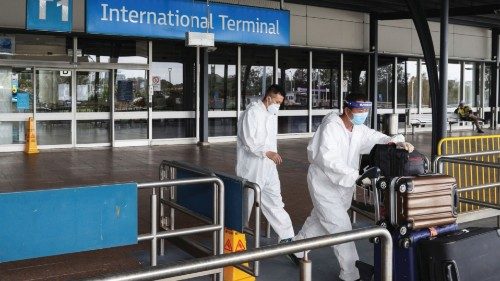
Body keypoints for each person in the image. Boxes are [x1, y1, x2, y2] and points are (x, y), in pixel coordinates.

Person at [293, 93, 414, 281]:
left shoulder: (357, 128)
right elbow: (328, 160)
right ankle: (350, 273)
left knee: (322, 219)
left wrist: (397, 141)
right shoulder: (331, 127)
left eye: (366, 110)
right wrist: (357, 177)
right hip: (323, 184)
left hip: (342, 186)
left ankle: (297, 248)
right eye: (359, 110)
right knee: (340, 225)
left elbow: (375, 138)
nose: (363, 114)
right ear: (347, 110)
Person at [236, 84, 295, 246]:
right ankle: (234, 237)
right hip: (252, 166)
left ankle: (287, 238)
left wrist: (270, 155)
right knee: (246, 202)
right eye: (276, 101)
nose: (278, 105)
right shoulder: (252, 113)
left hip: (268, 166)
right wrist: (267, 153)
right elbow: (248, 141)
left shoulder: (270, 114)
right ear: (268, 98)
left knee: (275, 200)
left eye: (280, 103)